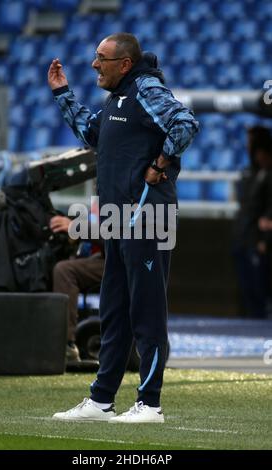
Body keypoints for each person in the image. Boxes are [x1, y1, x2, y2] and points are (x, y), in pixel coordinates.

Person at [48, 33, 199, 423]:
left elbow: (185, 123)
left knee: (147, 312)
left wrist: (161, 164)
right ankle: (101, 401)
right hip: (118, 221)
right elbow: (91, 134)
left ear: (124, 64)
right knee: (114, 311)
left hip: (147, 219)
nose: (94, 64)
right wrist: (63, 94)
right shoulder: (116, 97)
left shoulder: (146, 89)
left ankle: (150, 404)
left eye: (101, 58)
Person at [50, 214, 104, 365]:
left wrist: (77, 227)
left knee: (64, 270)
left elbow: (119, 235)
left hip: (130, 258)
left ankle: (65, 345)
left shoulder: (126, 194)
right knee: (61, 264)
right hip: (111, 254)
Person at [233, 127, 272, 318]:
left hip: (258, 241)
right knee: (248, 290)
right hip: (243, 237)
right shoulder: (250, 173)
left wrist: (264, 239)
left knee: (261, 290)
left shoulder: (267, 175)